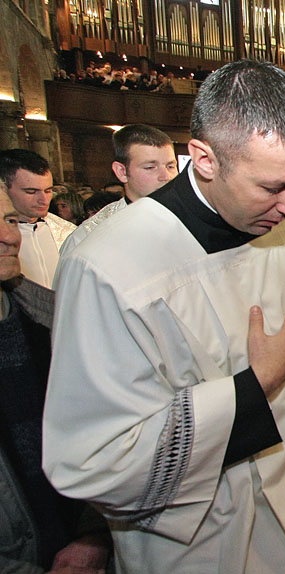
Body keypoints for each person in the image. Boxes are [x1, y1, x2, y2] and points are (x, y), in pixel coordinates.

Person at [43, 60, 285, 574]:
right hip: (220, 532)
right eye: (273, 188)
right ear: (203, 158)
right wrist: (253, 388)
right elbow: (93, 460)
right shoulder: (107, 265)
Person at [0, 185, 112, 573]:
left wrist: (95, 531)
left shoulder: (51, 316)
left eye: (9, 220)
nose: (9, 236)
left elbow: (101, 428)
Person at [59, 124, 179, 256]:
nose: (166, 177)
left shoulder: (194, 222)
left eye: (170, 166)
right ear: (122, 172)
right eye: (150, 167)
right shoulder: (87, 238)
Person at [0, 149, 75, 288]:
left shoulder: (68, 232)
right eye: (31, 192)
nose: (43, 200)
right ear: (3, 189)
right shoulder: (5, 237)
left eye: (48, 191)